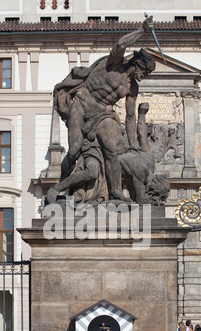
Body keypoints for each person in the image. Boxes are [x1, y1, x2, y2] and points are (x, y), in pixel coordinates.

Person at [48, 16, 156, 204]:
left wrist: (132, 145)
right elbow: (120, 44)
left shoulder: (132, 88)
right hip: (82, 104)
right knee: (74, 150)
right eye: (144, 72)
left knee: (113, 150)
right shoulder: (113, 63)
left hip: (104, 114)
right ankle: (60, 187)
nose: (143, 77)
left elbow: (130, 117)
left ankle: (114, 190)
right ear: (138, 64)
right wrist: (142, 31)